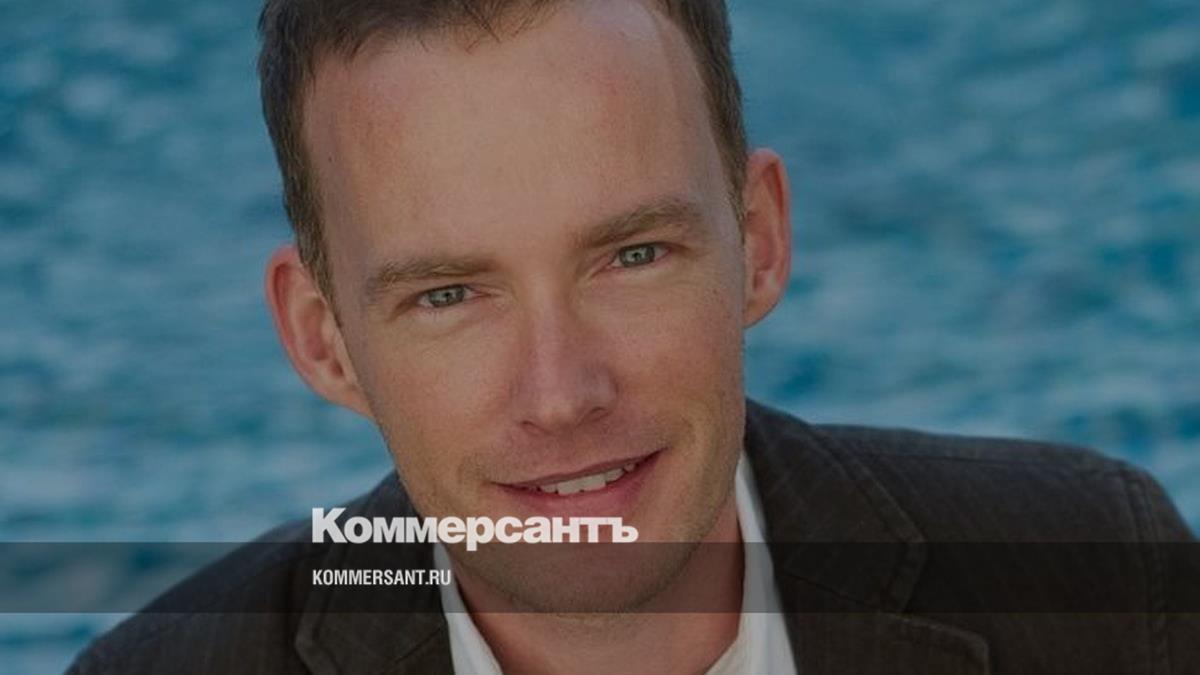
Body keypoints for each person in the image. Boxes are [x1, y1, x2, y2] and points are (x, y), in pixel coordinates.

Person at [70, 1, 1198, 673]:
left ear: (758, 242)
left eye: (633, 255)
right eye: (450, 295)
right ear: (322, 341)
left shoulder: (1103, 576)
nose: (562, 393)